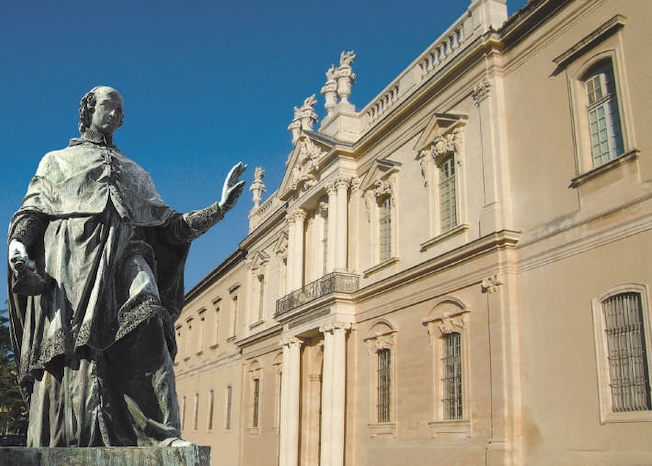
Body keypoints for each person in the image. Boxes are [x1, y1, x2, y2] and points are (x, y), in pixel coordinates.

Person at [7, 85, 246, 447]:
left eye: (121, 110)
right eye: (109, 106)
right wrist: (18, 248)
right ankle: (80, 435)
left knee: (150, 317)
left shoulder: (136, 172)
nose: (117, 114)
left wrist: (220, 208)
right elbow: (34, 211)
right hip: (73, 260)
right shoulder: (56, 161)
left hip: (127, 253)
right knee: (77, 352)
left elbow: (172, 228)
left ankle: (162, 434)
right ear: (88, 110)